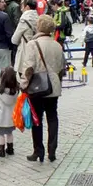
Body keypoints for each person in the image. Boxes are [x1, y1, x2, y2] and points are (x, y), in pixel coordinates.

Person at [18, 15, 65, 163]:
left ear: (39, 27)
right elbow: (61, 67)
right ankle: (52, 150)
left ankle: (38, 150)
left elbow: (29, 68)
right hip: (53, 87)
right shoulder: (57, 45)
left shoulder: (33, 44)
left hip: (37, 87)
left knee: (37, 119)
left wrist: (24, 85)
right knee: (52, 117)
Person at [11, 0, 39, 70]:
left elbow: (14, 40)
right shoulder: (38, 18)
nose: (21, 9)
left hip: (25, 51)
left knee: (24, 75)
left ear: (27, 7)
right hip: (37, 50)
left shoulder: (24, 20)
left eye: (22, 7)